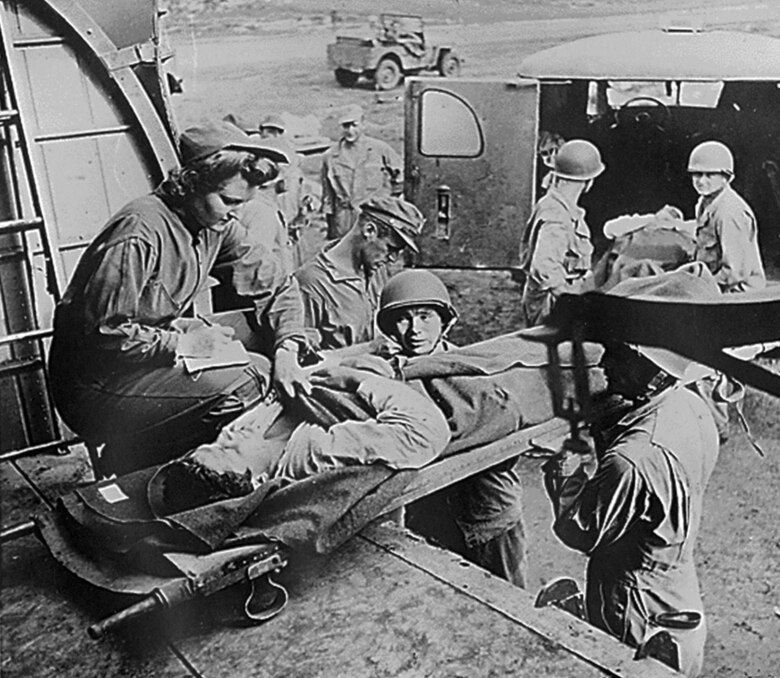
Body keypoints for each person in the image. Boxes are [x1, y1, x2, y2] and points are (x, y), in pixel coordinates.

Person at [49, 120, 312, 476]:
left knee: (265, 358)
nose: (234, 212)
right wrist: (183, 343)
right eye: (228, 200)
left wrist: (288, 348)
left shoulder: (214, 225)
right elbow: (104, 333)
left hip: (138, 364)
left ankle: (175, 462)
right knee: (248, 380)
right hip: (94, 387)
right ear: (192, 183)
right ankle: (137, 465)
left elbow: (276, 283)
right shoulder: (140, 231)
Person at [539, 266, 720, 677]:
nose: (605, 360)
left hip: (634, 605)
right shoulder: (691, 407)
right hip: (675, 589)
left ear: (656, 370)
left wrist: (565, 476)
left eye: (621, 353)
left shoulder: (632, 459)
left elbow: (582, 532)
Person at [375, 269, 527, 587]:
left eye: (425, 316)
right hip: (430, 518)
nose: (414, 329)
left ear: (445, 321)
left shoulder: (474, 374)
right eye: (403, 319)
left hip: (488, 516)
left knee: (508, 604)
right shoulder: (385, 379)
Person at [294, 196, 424, 351]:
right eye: (391, 248)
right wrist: (369, 348)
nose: (393, 258)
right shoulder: (310, 283)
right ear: (369, 231)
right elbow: (302, 359)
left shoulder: (376, 269)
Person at [519, 139, 605, 326]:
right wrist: (570, 299)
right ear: (588, 181)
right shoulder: (557, 217)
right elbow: (544, 267)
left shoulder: (557, 205)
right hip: (552, 304)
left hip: (554, 297)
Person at [688, 140, 765, 293]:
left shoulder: (729, 212)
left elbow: (735, 273)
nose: (701, 181)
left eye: (710, 175)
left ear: (727, 177)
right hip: (711, 280)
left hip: (736, 291)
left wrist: (697, 287)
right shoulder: (706, 202)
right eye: (697, 174)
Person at [320, 105, 403, 240]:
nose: (350, 130)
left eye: (354, 125)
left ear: (363, 125)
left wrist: (389, 201)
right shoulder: (330, 156)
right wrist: (331, 230)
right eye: (346, 126)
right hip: (344, 218)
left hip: (374, 215)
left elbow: (401, 175)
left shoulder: (380, 149)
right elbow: (328, 197)